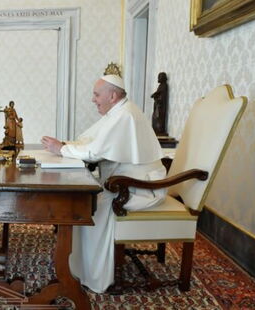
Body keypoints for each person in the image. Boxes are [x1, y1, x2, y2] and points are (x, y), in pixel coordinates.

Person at [41, 75, 166, 293]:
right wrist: (64, 146)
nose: (93, 99)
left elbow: (94, 151)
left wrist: (61, 149)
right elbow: (90, 141)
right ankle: (79, 268)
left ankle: (94, 277)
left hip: (139, 189)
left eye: (97, 94)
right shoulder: (117, 112)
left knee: (90, 206)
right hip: (125, 182)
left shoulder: (125, 115)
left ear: (113, 95)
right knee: (86, 201)